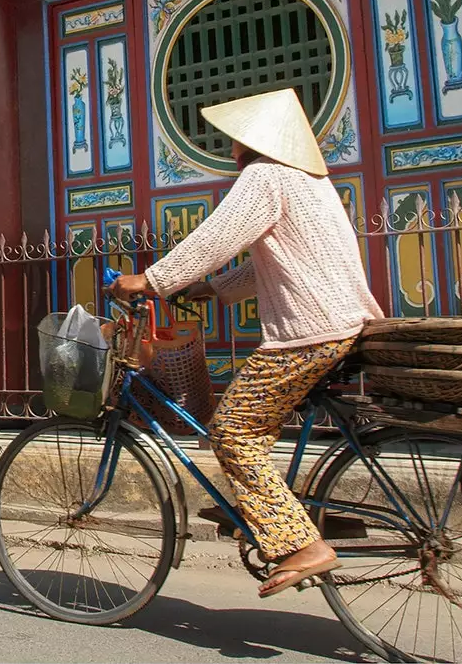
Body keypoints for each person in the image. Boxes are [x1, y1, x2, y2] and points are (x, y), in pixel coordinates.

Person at [108, 88, 383, 598]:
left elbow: (215, 238)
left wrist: (151, 279)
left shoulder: (265, 176)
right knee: (246, 422)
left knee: (232, 433)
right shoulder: (311, 182)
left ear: (252, 140)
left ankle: (302, 544)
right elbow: (269, 262)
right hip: (344, 325)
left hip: (309, 333)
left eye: (236, 136)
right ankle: (276, 512)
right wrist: (211, 288)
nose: (231, 145)